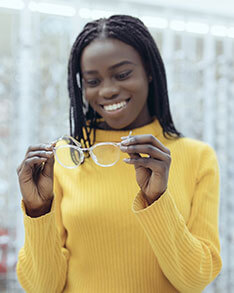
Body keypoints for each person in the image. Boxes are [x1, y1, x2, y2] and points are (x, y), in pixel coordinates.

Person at [16, 15, 222, 293]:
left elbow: (194, 280)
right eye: (92, 81)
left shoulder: (198, 157)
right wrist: (38, 210)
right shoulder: (66, 158)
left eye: (123, 74)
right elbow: (43, 287)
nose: (108, 90)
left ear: (149, 70)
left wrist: (156, 201)